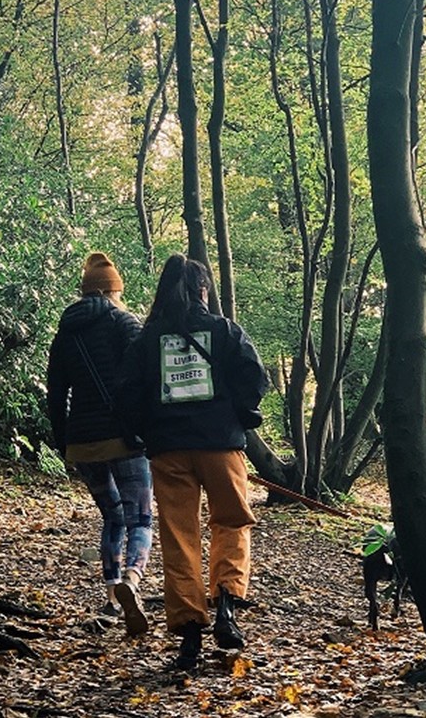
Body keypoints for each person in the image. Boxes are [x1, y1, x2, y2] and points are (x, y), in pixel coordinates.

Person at [117, 253, 268, 670]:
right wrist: (240, 410)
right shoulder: (223, 331)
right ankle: (226, 605)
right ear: (203, 290)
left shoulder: (148, 340)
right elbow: (255, 377)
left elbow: (127, 394)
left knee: (179, 535)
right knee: (232, 522)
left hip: (168, 451)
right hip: (221, 445)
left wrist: (142, 431)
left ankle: (188, 633)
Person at [46, 252, 152, 637]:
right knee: (140, 517)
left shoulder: (65, 334)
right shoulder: (126, 324)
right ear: (114, 291)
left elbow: (56, 395)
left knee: (112, 517)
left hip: (83, 441)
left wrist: (64, 443)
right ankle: (132, 578)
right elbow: (145, 380)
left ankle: (110, 599)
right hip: (125, 439)